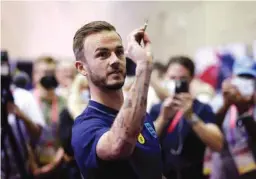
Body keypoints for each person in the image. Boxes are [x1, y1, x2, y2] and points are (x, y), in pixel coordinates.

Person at [71, 21, 162, 179]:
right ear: (82, 68)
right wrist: (143, 66)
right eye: (103, 54)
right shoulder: (85, 127)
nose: (115, 60)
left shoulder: (142, 116)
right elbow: (118, 146)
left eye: (119, 52)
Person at [150, 56, 223, 179]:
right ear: (166, 78)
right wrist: (163, 118)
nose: (177, 83)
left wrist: (191, 117)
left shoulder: (202, 108)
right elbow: (145, 142)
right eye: (172, 78)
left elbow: (217, 144)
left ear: (191, 80)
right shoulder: (158, 109)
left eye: (182, 79)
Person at [210, 56, 256, 179]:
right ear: (233, 79)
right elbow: (211, 128)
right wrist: (226, 105)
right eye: (241, 78)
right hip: (224, 170)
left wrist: (244, 110)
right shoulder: (219, 100)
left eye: (250, 78)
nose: (245, 82)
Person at [31, 56, 66, 178]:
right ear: (34, 75)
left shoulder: (64, 102)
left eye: (51, 73)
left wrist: (55, 163)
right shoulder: (27, 100)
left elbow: (67, 137)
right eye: (44, 73)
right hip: (29, 164)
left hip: (58, 165)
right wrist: (32, 164)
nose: (48, 77)